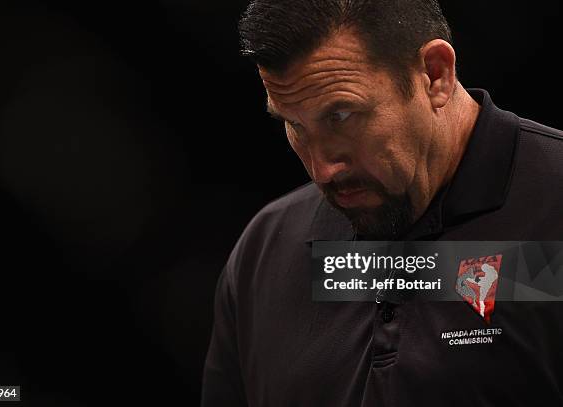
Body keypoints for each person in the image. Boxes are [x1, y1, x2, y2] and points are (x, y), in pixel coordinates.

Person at [202, 0, 563, 405]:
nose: (322, 170)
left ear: (435, 75)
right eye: (294, 125)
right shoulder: (265, 252)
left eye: (341, 116)